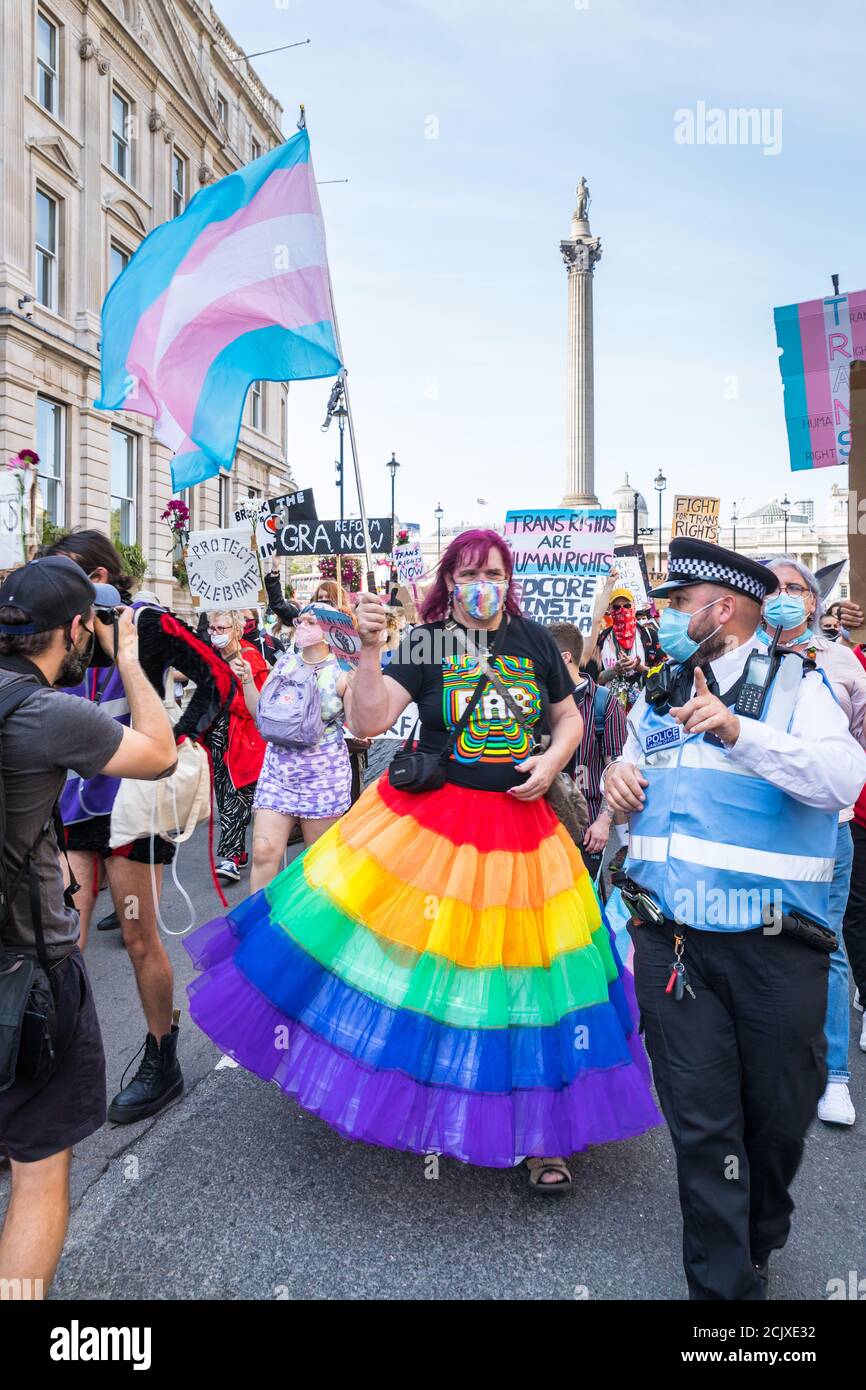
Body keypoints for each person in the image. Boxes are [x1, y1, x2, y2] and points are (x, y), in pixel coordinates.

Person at [183, 529, 660, 1192]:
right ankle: (432, 1098)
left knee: (530, 979)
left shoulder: (531, 642)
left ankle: (544, 1136)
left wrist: (551, 761)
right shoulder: (426, 640)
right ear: (450, 580)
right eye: (467, 573)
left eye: (492, 570)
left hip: (525, 832)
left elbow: (568, 719)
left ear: (507, 574)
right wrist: (373, 650)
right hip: (434, 825)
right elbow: (370, 720)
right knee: (414, 969)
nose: (480, 583)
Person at [605, 538, 866, 1300]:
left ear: (721, 610)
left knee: (778, 1118)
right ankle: (727, 1300)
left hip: (776, 949)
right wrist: (622, 776)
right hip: (673, 942)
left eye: (679, 604)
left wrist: (737, 732)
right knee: (702, 1123)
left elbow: (842, 778)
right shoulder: (658, 692)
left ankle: (761, 1229)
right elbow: (638, 785)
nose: (668, 617)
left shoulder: (799, 685)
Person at [0, 557, 176, 1294]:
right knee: (38, 1171)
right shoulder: (47, 713)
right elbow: (160, 753)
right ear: (76, 630)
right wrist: (132, 662)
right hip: (25, 971)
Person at [44, 530, 234, 1123]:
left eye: (75, 571)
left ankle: (162, 1056)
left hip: (135, 801)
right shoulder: (55, 629)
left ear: (104, 574)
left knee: (136, 935)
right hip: (74, 800)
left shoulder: (146, 622)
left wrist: (179, 741)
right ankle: (48, 1069)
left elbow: (219, 680)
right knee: (58, 942)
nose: (65, 584)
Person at [760, 555, 866, 1127]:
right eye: (773, 587)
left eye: (797, 588)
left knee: (826, 946)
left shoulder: (841, 660)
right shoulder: (739, 657)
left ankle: (836, 1079)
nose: (785, 597)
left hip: (827, 828)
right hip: (754, 829)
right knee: (756, 941)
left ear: (812, 600)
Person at [249, 606, 354, 892]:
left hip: (323, 778)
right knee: (262, 853)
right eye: (301, 620)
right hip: (278, 774)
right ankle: (260, 930)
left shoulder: (342, 672)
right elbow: (262, 717)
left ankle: (317, 933)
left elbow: (359, 726)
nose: (302, 625)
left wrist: (359, 686)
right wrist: (247, 680)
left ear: (331, 629)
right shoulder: (284, 663)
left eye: (311, 621)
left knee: (320, 864)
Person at [548, 621, 628, 881]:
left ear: (564, 658)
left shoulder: (604, 703)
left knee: (583, 910)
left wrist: (604, 821)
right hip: (543, 828)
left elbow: (616, 769)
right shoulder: (537, 699)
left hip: (587, 829)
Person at [204, 610, 269, 882]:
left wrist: (226, 697)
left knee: (236, 797)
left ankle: (230, 857)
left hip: (244, 740)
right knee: (225, 794)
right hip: (218, 739)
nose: (216, 633)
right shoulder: (212, 657)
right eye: (212, 628)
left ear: (236, 629)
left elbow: (260, 705)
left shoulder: (250, 658)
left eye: (222, 627)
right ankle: (238, 851)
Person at [593, 587, 661, 708]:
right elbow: (593, 679)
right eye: (617, 607)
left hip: (644, 708)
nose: (622, 610)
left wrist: (639, 667)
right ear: (609, 609)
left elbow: (663, 675)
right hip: (610, 710)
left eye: (627, 606)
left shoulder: (650, 636)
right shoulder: (601, 640)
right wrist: (614, 670)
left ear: (634, 607)